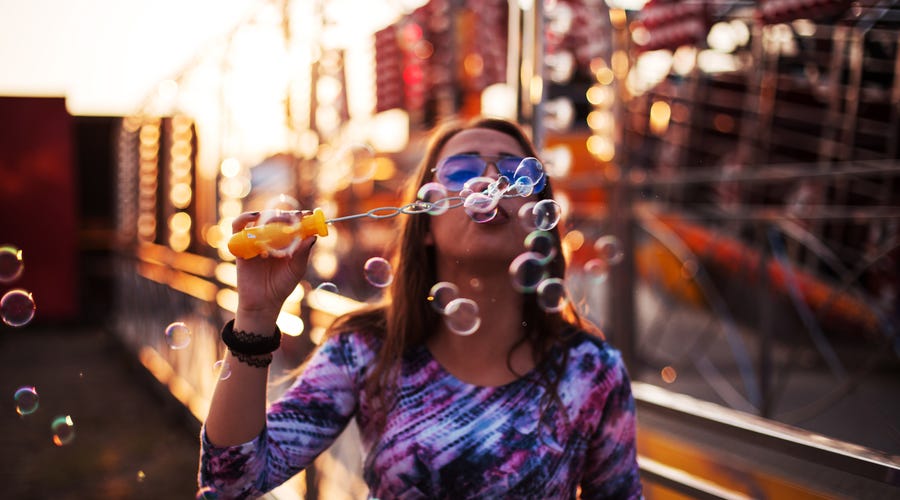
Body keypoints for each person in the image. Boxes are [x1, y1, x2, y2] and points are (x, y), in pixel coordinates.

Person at [199, 117, 643, 499]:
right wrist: (256, 315)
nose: (491, 182)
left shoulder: (590, 370)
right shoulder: (369, 349)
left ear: (539, 218)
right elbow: (231, 483)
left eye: (514, 170)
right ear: (425, 221)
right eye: (463, 169)